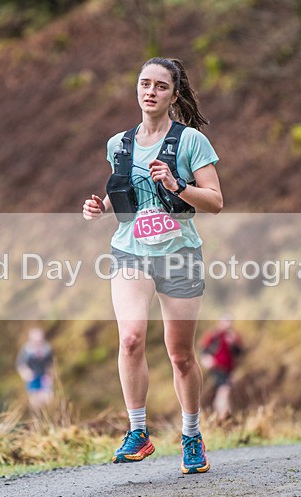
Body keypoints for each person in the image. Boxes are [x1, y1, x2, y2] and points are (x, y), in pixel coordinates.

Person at [82, 57, 223, 474]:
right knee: (130, 338)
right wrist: (100, 206)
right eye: (145, 84)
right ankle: (138, 432)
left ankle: (192, 435)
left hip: (179, 254)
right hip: (130, 252)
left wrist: (178, 185)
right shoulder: (118, 144)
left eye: (161, 86)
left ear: (173, 95)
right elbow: (126, 192)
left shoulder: (191, 142)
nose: (151, 91)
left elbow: (215, 202)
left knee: (180, 356)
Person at [200, 315, 245, 420]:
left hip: (229, 369)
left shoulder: (233, 336)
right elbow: (204, 351)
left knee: (224, 391)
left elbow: (238, 353)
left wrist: (233, 344)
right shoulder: (214, 336)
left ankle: (221, 415)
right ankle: (222, 415)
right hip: (217, 367)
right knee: (224, 390)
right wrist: (207, 360)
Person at [15, 327, 54, 412]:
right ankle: (37, 417)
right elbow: (20, 364)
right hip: (33, 377)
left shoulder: (47, 349)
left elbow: (51, 363)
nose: (38, 343)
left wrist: (50, 375)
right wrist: (25, 372)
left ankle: (48, 415)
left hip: (44, 376)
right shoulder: (26, 350)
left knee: (47, 397)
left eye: (40, 340)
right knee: (35, 399)